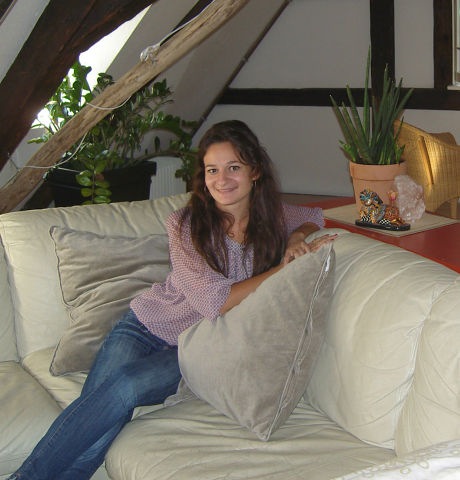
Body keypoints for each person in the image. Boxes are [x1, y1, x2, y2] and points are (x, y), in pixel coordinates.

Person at [9, 120, 336, 480]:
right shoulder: (186, 224)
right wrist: (282, 270)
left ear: (255, 171)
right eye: (212, 170)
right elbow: (215, 301)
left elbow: (313, 217)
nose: (222, 179)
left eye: (233, 167)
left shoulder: (273, 216)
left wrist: (296, 238)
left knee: (125, 386)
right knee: (96, 410)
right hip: (143, 326)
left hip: (194, 348)